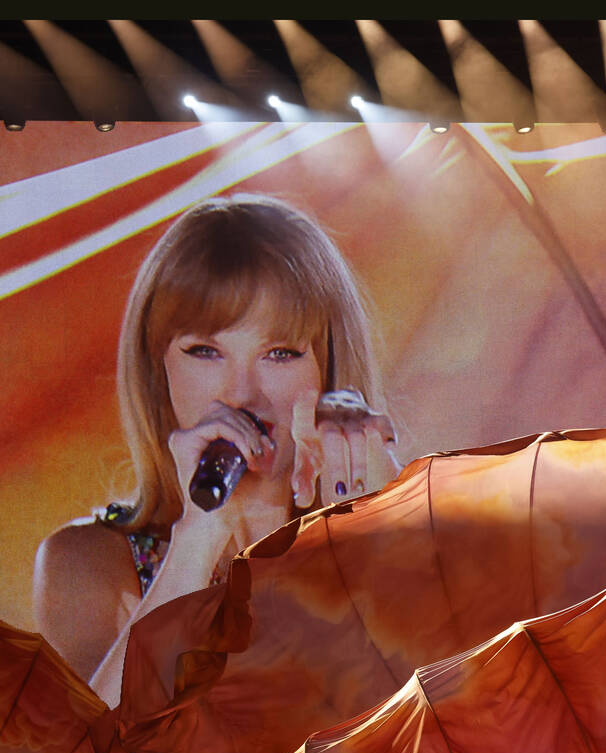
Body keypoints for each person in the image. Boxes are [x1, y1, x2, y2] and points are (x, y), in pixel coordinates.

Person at [31, 194, 403, 706]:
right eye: (205, 351)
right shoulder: (88, 560)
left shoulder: (389, 530)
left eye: (280, 353)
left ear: (326, 367)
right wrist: (198, 537)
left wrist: (389, 534)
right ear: (157, 367)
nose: (242, 393)